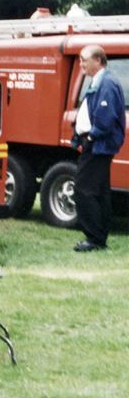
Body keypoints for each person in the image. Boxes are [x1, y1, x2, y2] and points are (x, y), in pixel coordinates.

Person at [72, 44, 126, 251]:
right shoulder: (100, 81)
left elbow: (105, 117)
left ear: (97, 61)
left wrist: (91, 136)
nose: (81, 64)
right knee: (100, 191)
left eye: (84, 60)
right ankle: (99, 237)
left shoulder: (107, 83)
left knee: (84, 189)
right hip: (97, 144)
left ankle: (94, 238)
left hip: (98, 145)